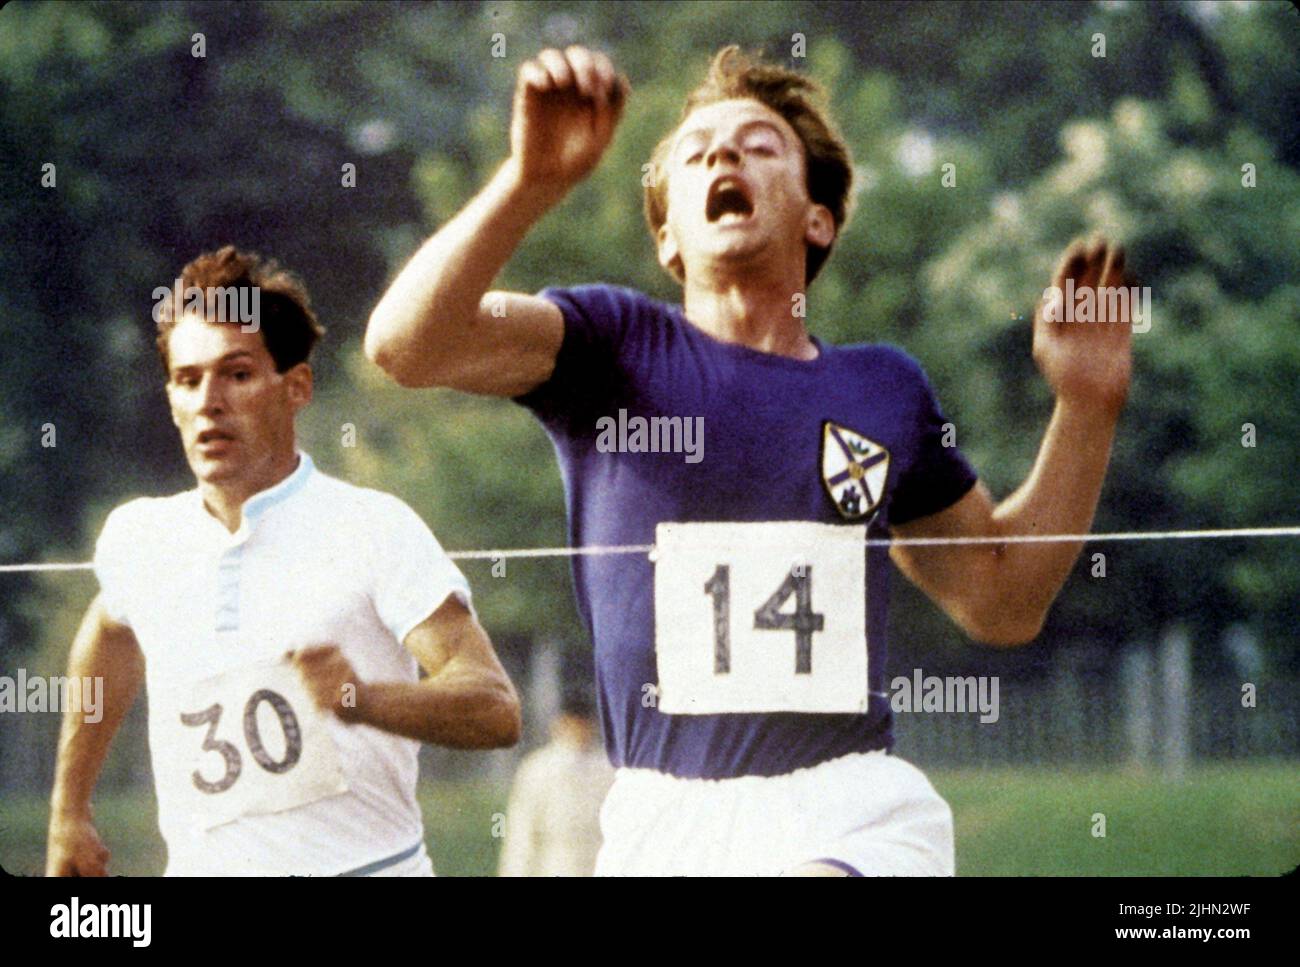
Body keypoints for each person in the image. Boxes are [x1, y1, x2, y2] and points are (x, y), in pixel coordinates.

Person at [365, 45, 1132, 876]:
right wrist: (530, 182)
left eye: (760, 145)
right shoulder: (609, 343)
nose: (723, 155)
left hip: (849, 805)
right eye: (696, 154)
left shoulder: (883, 386)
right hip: (664, 819)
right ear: (668, 237)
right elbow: (406, 346)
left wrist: (1086, 407)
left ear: (818, 217)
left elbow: (1002, 598)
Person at [46, 245, 521, 877]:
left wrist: (361, 699)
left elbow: (494, 707)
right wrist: (69, 811)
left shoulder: (375, 527)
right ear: (170, 398)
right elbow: (108, 635)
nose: (209, 401)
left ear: (295, 387)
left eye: (236, 374)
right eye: (188, 380)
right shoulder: (139, 538)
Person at [498, 686, 615, 877]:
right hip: (554, 865)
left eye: (584, 724)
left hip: (598, 864)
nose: (579, 730)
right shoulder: (537, 768)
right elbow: (521, 834)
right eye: (573, 723)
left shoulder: (608, 768)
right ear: (560, 724)